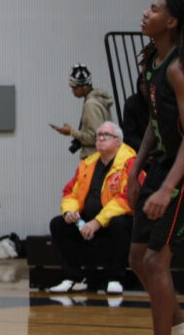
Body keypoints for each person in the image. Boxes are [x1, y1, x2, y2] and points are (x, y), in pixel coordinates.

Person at [128, 0, 184, 335]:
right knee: (138, 258)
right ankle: (181, 329)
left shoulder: (178, 69)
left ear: (171, 22)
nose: (145, 13)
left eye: (154, 9)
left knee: (156, 259)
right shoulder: (153, 61)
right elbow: (155, 123)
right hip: (161, 165)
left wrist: (167, 188)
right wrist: (135, 169)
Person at [47, 122, 137, 294]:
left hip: (115, 220)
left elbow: (127, 198)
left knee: (119, 223)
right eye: (99, 135)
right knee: (58, 224)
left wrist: (97, 221)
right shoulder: (87, 163)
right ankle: (73, 278)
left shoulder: (130, 162)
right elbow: (70, 191)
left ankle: (116, 278)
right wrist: (70, 212)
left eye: (106, 135)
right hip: (88, 221)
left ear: (118, 141)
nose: (101, 138)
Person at [50, 65, 114, 159]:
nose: (72, 91)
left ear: (84, 87)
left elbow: (96, 138)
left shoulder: (91, 105)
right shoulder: (98, 100)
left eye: (75, 88)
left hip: (94, 160)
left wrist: (71, 132)